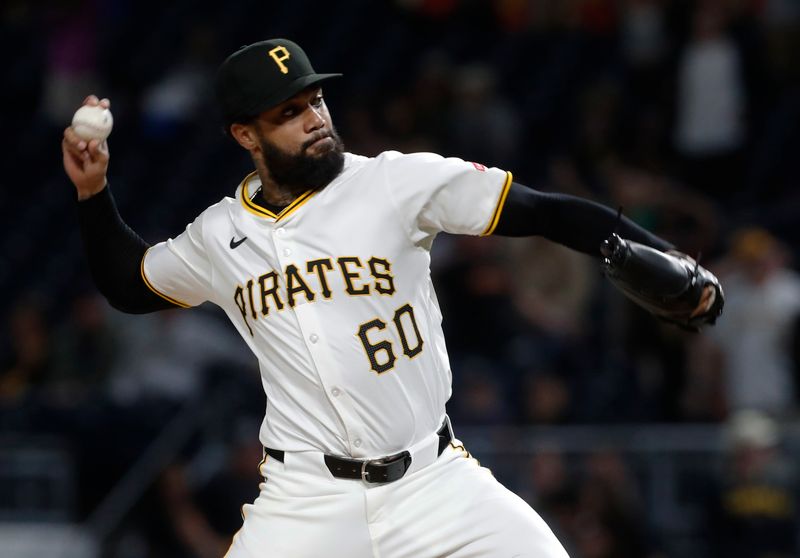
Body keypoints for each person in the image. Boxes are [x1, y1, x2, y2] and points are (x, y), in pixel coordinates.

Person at [61, 38, 719, 557]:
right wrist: (93, 195)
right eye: (288, 113)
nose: (314, 118)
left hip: (436, 482)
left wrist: (673, 262)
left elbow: (546, 212)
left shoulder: (396, 183)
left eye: (315, 100)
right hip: (306, 501)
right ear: (245, 136)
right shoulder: (219, 234)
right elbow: (130, 284)